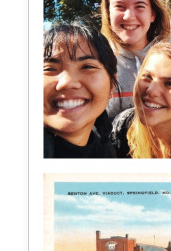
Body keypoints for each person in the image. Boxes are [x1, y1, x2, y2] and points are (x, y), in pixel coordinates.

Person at [101, 0, 171, 119]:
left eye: (139, 6)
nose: (129, 16)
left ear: (152, 14)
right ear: (108, 13)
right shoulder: (96, 62)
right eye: (119, 6)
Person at [43, 20, 119, 158]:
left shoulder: (107, 154)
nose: (67, 82)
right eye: (49, 69)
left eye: (87, 67)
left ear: (112, 85)